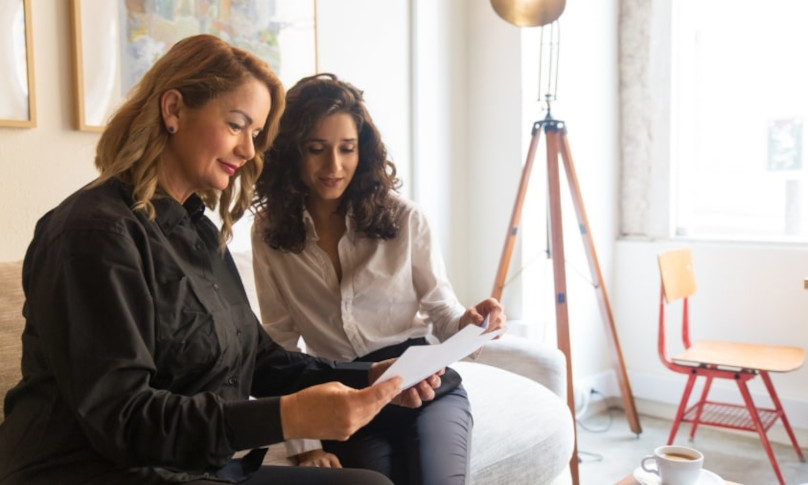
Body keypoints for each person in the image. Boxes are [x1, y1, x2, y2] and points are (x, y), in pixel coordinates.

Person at [0, 35, 443, 485]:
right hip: (96, 471)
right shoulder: (94, 234)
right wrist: (288, 417)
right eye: (237, 125)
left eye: (255, 134)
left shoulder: (198, 230)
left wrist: (365, 374)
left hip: (192, 468)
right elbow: (125, 419)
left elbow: (259, 359)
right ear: (173, 110)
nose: (249, 151)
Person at [251, 73, 506, 484]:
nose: (334, 166)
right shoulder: (269, 233)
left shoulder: (404, 219)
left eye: (346, 149)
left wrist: (472, 323)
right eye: (316, 150)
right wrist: (306, 444)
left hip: (425, 387)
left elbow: (442, 310)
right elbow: (279, 343)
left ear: (362, 150)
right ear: (290, 153)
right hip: (348, 400)